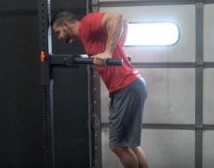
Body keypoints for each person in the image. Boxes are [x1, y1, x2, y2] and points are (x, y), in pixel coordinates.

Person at [51, 11, 149, 168]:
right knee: (129, 145)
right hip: (131, 85)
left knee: (117, 146)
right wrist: (119, 46)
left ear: (66, 25)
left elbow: (117, 18)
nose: (59, 37)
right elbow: (125, 25)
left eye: (58, 32)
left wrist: (109, 51)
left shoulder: (87, 24)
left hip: (126, 86)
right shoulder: (85, 35)